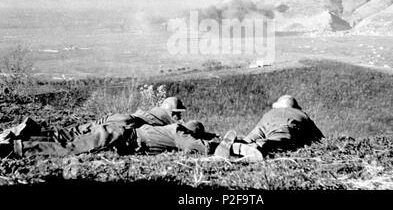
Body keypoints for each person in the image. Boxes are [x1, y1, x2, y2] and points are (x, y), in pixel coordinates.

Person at [0, 96, 188, 156]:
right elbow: (180, 132)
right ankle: (17, 147)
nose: (178, 118)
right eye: (178, 115)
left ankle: (25, 134)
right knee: (75, 145)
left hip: (114, 119)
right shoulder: (167, 118)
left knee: (70, 134)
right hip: (122, 126)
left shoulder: (155, 110)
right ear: (175, 112)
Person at [2, 119, 217, 158]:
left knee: (71, 139)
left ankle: (21, 139)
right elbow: (193, 145)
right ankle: (18, 148)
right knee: (71, 148)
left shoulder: (169, 128)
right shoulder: (177, 131)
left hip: (118, 133)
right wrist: (209, 145)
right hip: (121, 136)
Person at [214, 95, 324, 162]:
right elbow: (320, 138)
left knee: (249, 138)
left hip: (267, 122)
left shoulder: (270, 113)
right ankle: (258, 146)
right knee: (279, 140)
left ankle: (236, 144)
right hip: (286, 126)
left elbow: (257, 130)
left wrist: (247, 139)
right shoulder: (301, 114)